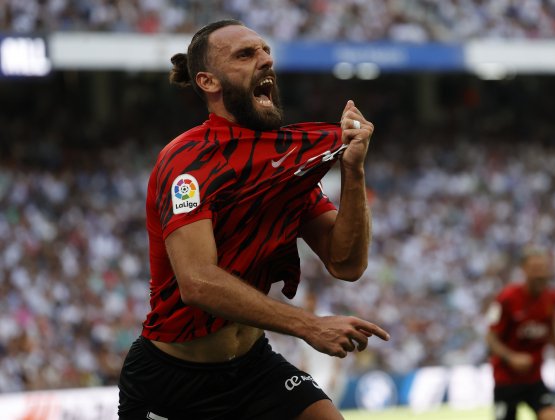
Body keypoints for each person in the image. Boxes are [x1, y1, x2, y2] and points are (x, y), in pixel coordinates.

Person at [117, 19, 389, 420]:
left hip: (252, 366)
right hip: (173, 381)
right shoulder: (187, 162)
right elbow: (197, 282)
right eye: (246, 54)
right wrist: (309, 326)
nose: (266, 61)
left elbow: (346, 263)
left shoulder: (283, 165)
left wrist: (353, 172)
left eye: (265, 51)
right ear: (209, 82)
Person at [485, 248, 555, 420]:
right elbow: (490, 337)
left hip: (534, 377)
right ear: (524, 270)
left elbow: (551, 326)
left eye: (543, 268)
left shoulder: (552, 297)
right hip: (505, 379)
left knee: (552, 416)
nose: (540, 274)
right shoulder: (506, 298)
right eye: (535, 269)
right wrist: (512, 357)